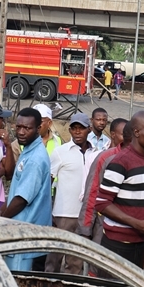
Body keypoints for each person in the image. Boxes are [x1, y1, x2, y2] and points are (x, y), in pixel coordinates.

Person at [95, 111, 144, 267]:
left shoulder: (143, 161)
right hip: (119, 245)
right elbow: (101, 203)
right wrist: (137, 224)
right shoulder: (122, 161)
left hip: (137, 243)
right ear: (136, 132)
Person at [0, 107, 53, 271]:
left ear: (38, 129)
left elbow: (21, 199)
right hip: (24, 234)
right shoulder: (28, 150)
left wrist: (1, 220)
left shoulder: (35, 159)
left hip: (26, 237)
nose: (21, 132)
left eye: (27, 128)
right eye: (19, 127)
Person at [46, 112, 99, 274]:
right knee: (54, 257)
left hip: (84, 215)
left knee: (75, 261)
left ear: (89, 130)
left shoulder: (96, 153)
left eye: (81, 129)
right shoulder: (61, 152)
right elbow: (48, 182)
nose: (77, 132)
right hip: (63, 213)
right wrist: (49, 212)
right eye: (74, 129)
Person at [80, 118, 131, 247]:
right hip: (103, 225)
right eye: (123, 134)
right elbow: (92, 193)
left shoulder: (141, 160)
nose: (127, 138)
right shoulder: (105, 158)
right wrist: (86, 228)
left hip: (129, 229)